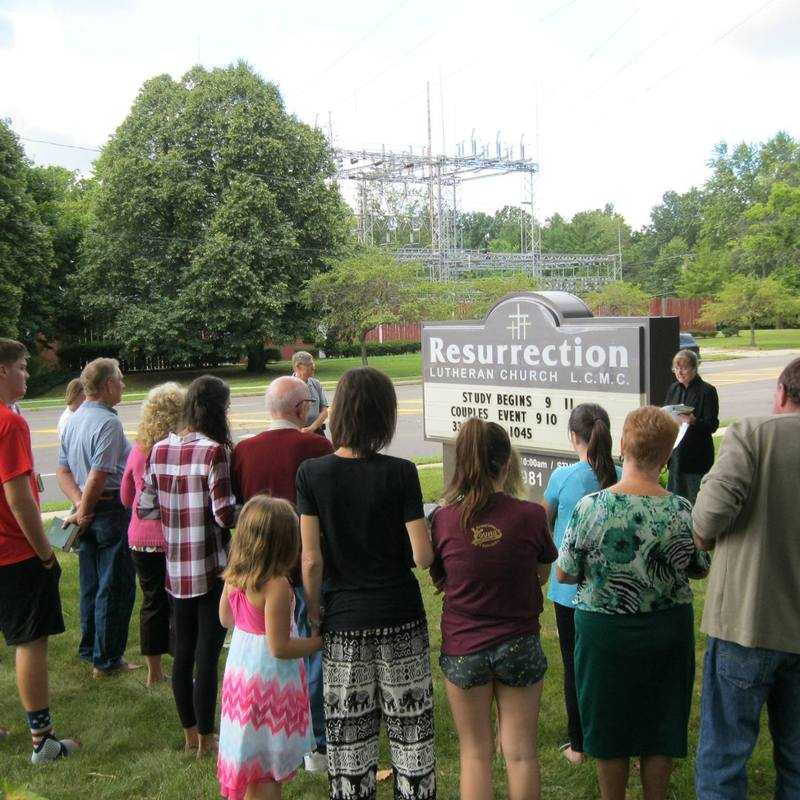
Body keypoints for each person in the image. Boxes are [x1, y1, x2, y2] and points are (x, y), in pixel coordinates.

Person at [556, 406, 710, 800]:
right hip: (666, 629)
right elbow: (699, 567)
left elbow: (564, 572)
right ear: (667, 456)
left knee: (609, 729)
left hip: (604, 633)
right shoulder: (679, 510)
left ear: (622, 446)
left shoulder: (591, 507)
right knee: (661, 725)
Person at [297, 367, 436, 800]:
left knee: (349, 745)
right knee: (412, 738)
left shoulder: (312, 473)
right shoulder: (401, 472)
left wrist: (315, 610)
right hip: (400, 616)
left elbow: (311, 558)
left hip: (344, 621)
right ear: (384, 415)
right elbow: (422, 555)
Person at [430, 418, 557, 800]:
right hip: (519, 643)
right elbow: (541, 573)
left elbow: (441, 579)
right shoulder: (531, 515)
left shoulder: (443, 519)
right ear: (506, 464)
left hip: (464, 647)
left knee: (475, 756)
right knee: (520, 755)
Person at [693, 357, 800, 800]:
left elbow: (707, 518)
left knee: (724, 758)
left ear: (781, 393)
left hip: (747, 622)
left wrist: (705, 536)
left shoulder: (753, 434)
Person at [231, 375, 332, 771]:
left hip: (258, 566)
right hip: (303, 562)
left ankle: (276, 736)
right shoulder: (316, 446)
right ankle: (315, 743)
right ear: (300, 409)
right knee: (310, 651)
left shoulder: (243, 450)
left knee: (265, 652)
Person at [138, 375, 237, 758]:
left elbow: (145, 507)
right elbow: (224, 514)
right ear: (217, 409)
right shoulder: (215, 452)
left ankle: (190, 734)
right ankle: (209, 738)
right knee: (207, 656)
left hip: (175, 567)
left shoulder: (159, 448)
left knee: (182, 653)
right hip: (210, 567)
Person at [0, 338, 79, 764]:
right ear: (3, 371)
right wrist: (45, 553)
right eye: (24, 367)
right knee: (30, 640)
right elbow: (19, 499)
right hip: (13, 554)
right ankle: (43, 740)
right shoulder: (9, 424)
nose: (28, 374)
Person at [217, 495, 321, 800]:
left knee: (251, 757)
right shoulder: (277, 585)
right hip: (268, 683)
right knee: (267, 768)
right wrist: (317, 642)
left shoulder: (234, 575)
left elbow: (225, 618)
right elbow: (279, 646)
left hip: (241, 676)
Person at [543, 403, 620, 766]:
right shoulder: (621, 475)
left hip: (568, 590)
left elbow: (545, 523)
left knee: (575, 667)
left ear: (573, 436)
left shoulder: (563, 478)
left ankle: (579, 743)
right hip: (614, 588)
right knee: (610, 665)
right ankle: (615, 736)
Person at [57, 357, 137, 678]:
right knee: (114, 586)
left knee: (90, 584)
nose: (123, 384)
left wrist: (79, 509)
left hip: (88, 513)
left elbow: (64, 471)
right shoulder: (108, 423)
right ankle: (106, 661)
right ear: (107, 385)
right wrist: (85, 509)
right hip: (107, 512)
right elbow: (98, 475)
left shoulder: (74, 418)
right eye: (119, 379)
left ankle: (90, 648)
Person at [120, 382, 185, 687]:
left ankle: (153, 672)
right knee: (177, 602)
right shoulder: (180, 450)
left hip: (140, 539)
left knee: (151, 602)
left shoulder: (138, 450)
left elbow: (125, 496)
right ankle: (183, 664)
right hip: (172, 538)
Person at [664, 348, 719, 503]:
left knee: (695, 502)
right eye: (676, 368)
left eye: (684, 368)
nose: (680, 372)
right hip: (676, 456)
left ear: (695, 368)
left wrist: (694, 421)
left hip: (696, 456)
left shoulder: (707, 391)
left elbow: (712, 425)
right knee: (675, 502)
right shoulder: (673, 388)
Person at [291, 351, 328, 436]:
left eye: (313, 364)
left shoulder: (316, 384)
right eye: (310, 365)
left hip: (317, 431)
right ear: (298, 367)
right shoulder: (287, 386)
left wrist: (312, 428)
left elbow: (324, 411)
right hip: (296, 433)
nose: (313, 367)